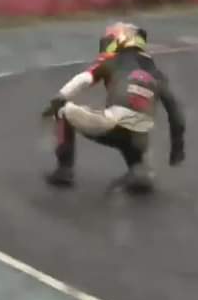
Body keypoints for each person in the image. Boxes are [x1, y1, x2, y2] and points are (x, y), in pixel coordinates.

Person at [41, 22, 186, 192]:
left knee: (62, 110)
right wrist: (177, 148)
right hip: (140, 134)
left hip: (113, 123)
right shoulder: (157, 73)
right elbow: (176, 113)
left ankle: (64, 171)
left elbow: (83, 80)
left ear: (120, 40)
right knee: (134, 129)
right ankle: (139, 171)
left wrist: (58, 98)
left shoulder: (112, 61)